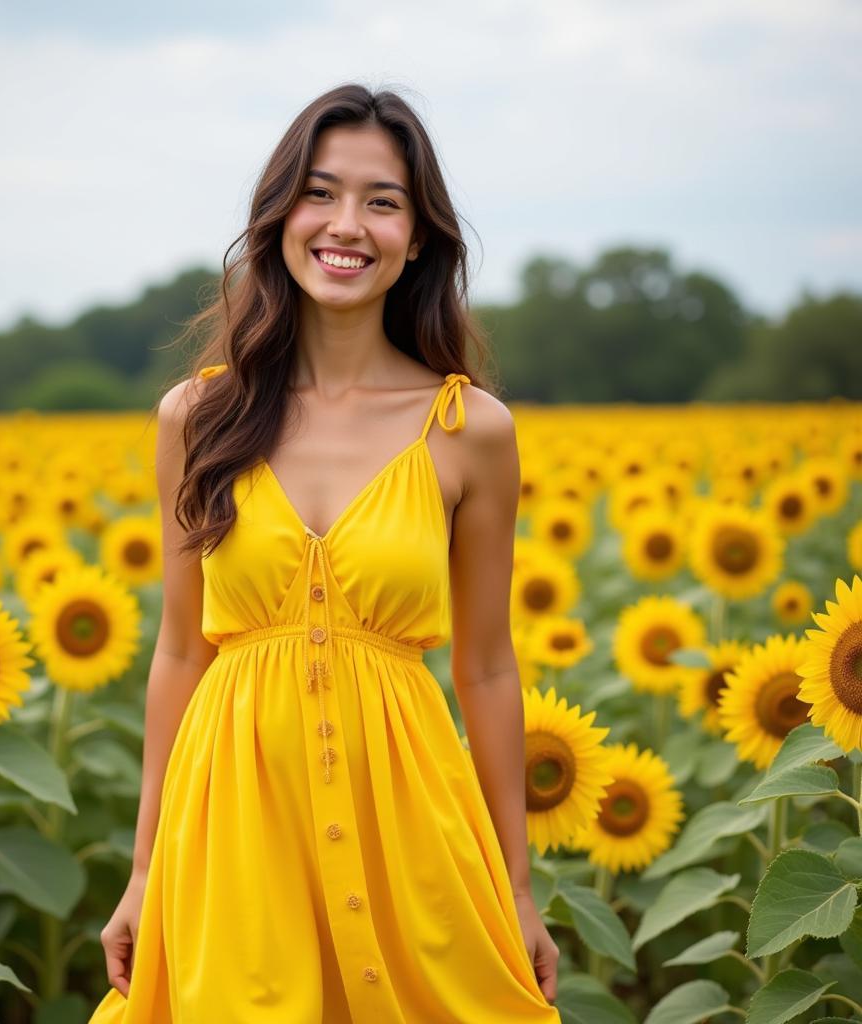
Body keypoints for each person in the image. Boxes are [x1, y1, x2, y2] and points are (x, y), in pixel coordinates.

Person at [89, 82, 561, 1023]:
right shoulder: (196, 418)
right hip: (232, 830)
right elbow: (182, 650)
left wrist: (515, 883)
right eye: (320, 191)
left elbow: (487, 667)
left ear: (418, 236)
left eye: (382, 201)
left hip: (409, 830)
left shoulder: (471, 430)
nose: (347, 225)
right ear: (279, 215)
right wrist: (144, 870)